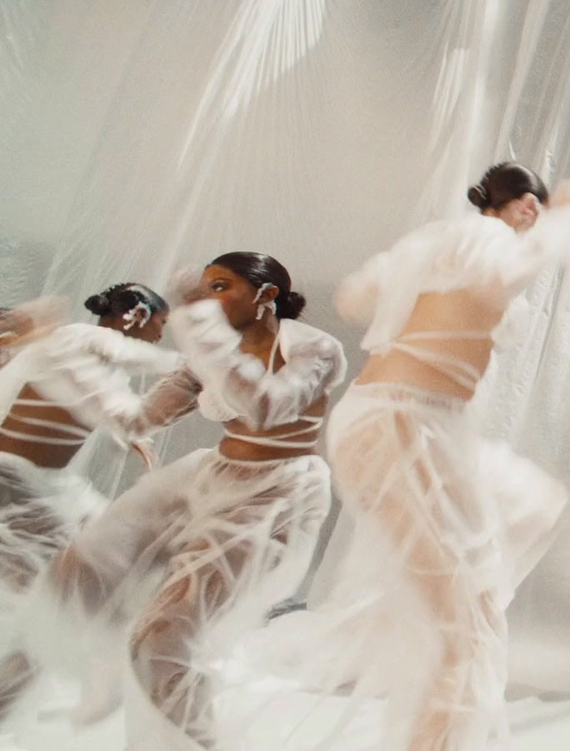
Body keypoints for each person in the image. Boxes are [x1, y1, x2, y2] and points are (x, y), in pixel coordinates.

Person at [301, 162, 570, 751]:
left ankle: (430, 712)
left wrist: (412, 282)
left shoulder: (439, 242)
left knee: (503, 549)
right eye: (533, 215)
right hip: (401, 420)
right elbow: (494, 282)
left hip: (406, 420)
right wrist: (561, 224)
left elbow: (356, 298)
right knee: (464, 625)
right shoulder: (486, 237)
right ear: (525, 210)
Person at [27, 253, 346, 751]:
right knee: (73, 579)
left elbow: (266, 407)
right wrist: (69, 362)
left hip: (275, 496)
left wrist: (201, 327)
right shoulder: (208, 352)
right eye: (203, 290)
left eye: (221, 287)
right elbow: (137, 419)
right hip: (207, 477)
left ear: (266, 296)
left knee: (163, 640)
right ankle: (87, 678)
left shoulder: (314, 348)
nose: (207, 300)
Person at [0, 285, 178, 721]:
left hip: (49, 486)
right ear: (137, 315)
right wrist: (203, 364)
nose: (160, 335)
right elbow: (140, 363)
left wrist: (133, 435)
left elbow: (104, 402)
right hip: (15, 484)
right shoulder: (83, 339)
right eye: (161, 324)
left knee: (119, 565)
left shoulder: (91, 358)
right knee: (50, 604)